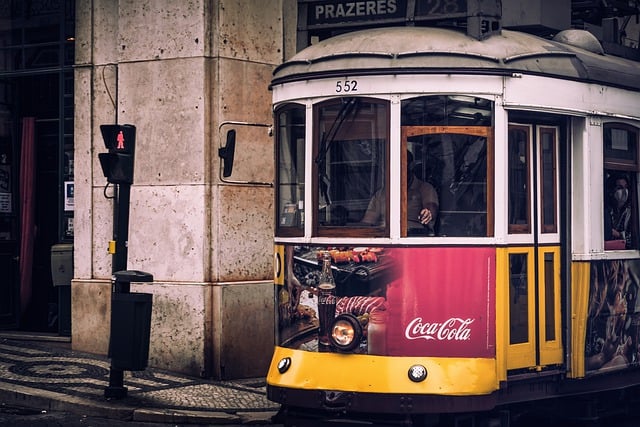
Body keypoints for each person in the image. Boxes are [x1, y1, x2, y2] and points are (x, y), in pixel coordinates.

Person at [361, 150, 439, 234]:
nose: (398, 169)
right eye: (393, 166)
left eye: (401, 165)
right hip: (385, 236)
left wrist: (427, 213)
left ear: (411, 166)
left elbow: (431, 207)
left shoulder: (425, 188)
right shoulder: (382, 193)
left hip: (415, 236)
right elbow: (368, 222)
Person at [605, 174, 632, 249]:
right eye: (619, 188)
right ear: (611, 191)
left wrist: (618, 234)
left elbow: (633, 241)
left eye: (626, 187)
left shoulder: (631, 212)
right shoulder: (608, 211)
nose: (624, 191)